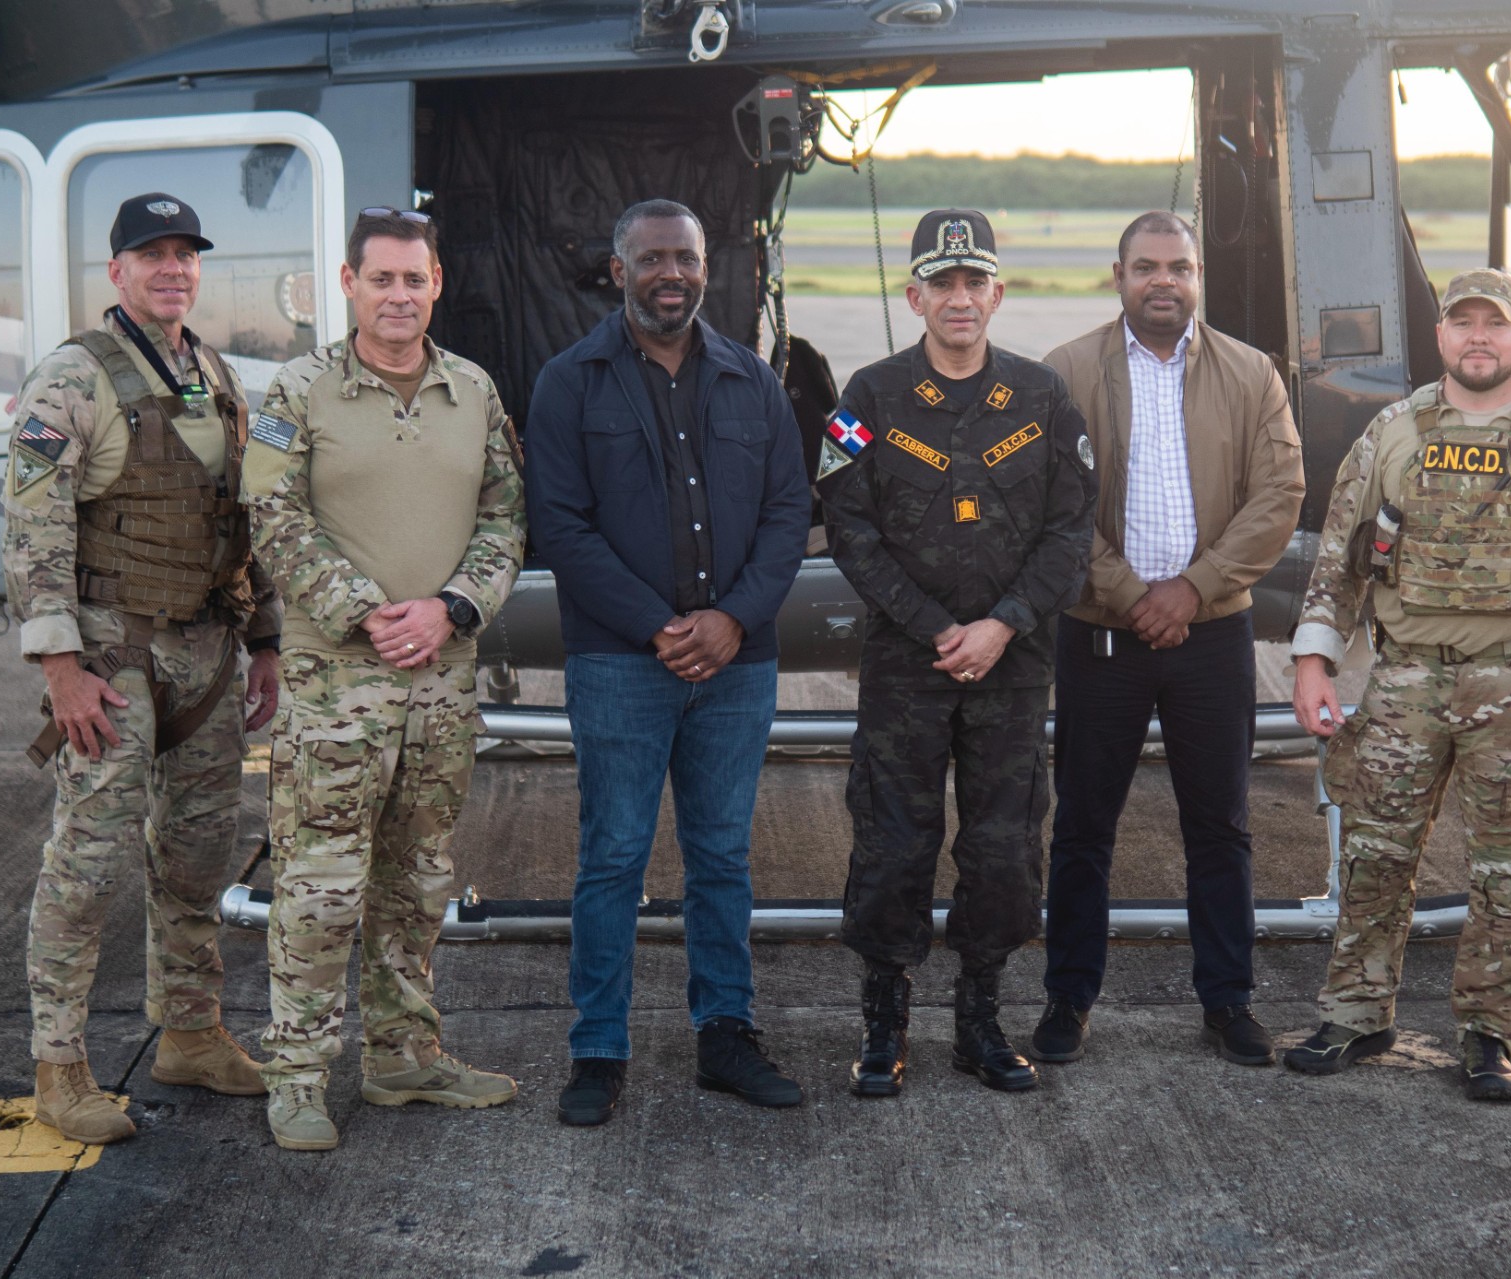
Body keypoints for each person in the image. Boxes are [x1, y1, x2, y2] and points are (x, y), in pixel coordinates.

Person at [1287, 268, 1511, 1102]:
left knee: (1507, 869)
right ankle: (1356, 1012)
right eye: (1463, 323)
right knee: (1374, 852)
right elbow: (1339, 557)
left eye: (1496, 323)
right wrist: (1313, 659)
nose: (1479, 338)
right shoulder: (1393, 431)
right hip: (1405, 674)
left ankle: (1490, 1033)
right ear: (1441, 334)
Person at [3, 193, 281, 1145]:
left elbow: (241, 515)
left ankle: (191, 1033)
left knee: (198, 856)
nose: (172, 268)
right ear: (116, 270)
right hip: (113, 654)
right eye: (152, 254)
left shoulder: (217, 373)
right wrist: (60, 666)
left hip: (208, 652)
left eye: (185, 254)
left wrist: (267, 637)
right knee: (87, 862)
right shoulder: (72, 376)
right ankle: (58, 1063)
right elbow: (33, 522)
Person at [244, 208, 525, 1150]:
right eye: (382, 279)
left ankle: (404, 1056)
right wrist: (366, 609)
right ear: (348, 283)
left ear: (436, 283)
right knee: (320, 883)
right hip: (336, 683)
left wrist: (452, 607)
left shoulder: (472, 389)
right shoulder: (300, 389)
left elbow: (506, 518)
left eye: (415, 279)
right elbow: (270, 515)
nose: (399, 295)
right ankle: (297, 1074)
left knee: (417, 878)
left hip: (441, 679)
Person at [526, 199, 811, 1127]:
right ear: (619, 271)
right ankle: (598, 1048)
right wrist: (659, 626)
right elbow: (560, 526)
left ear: (705, 267)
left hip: (738, 664)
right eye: (651, 259)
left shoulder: (753, 382)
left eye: (685, 258)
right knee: (613, 855)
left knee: (721, 855)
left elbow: (788, 513)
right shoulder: (569, 382)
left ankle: (726, 1033)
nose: (671, 274)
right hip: (620, 663)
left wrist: (731, 619)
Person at [818, 208, 1097, 1097]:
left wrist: (1002, 624)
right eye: (942, 283)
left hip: (1012, 670)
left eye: (975, 281)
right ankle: (884, 1020)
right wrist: (937, 627)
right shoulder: (868, 397)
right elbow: (848, 526)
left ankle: (981, 1018)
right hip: (908, 668)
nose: (960, 297)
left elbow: (1071, 529)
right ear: (915, 298)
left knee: (1005, 848)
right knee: (893, 843)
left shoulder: (1043, 397)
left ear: (998, 294)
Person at [1029, 212, 1304, 1068]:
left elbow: (1280, 493)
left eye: (1178, 267)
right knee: (1082, 825)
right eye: (1146, 266)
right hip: (1100, 635)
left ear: (1197, 278)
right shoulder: (1067, 370)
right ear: (1118, 276)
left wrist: (1194, 588)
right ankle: (1068, 997)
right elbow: (1050, 503)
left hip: (1211, 633)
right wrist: (1127, 593)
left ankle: (1228, 999)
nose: (1163, 281)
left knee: (1219, 824)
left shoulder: (1252, 373)